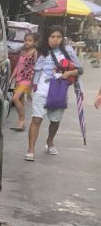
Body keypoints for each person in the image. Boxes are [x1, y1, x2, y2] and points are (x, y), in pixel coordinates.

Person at [25, 26, 82, 161]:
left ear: (62, 39)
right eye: (52, 37)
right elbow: (35, 71)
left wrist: (68, 73)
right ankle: (31, 149)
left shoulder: (67, 50)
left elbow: (80, 69)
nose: (55, 40)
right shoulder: (41, 51)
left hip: (59, 91)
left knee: (55, 121)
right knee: (36, 119)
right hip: (41, 90)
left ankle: (50, 142)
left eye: (59, 37)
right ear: (47, 37)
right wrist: (29, 89)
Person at [10, 32, 38, 131]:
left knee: (15, 99)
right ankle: (21, 123)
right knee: (20, 101)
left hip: (27, 80)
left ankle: (22, 120)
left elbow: (36, 69)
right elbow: (18, 66)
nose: (27, 42)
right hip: (18, 79)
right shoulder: (22, 52)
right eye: (25, 40)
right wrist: (11, 77)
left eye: (30, 40)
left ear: (34, 42)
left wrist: (32, 85)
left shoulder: (34, 53)